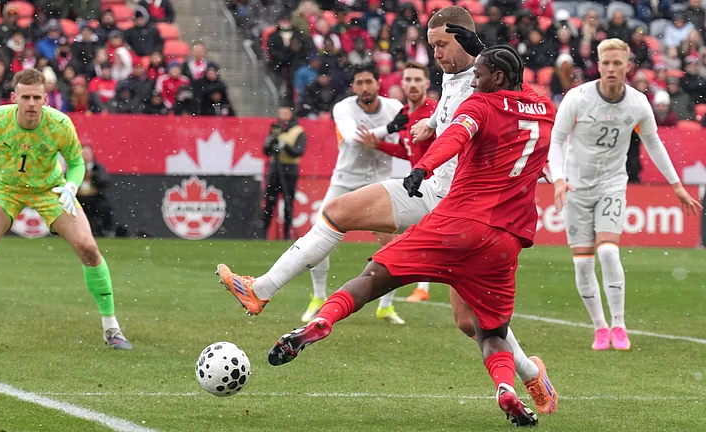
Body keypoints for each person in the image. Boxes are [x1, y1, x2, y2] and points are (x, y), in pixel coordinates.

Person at [217, 9, 557, 417]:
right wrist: (431, 122)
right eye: (430, 46)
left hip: (451, 200)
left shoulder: (482, 79)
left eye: (442, 45)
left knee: (470, 322)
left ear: (466, 42)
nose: (436, 54)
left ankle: (532, 377)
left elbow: (472, 119)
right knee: (340, 212)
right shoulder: (459, 75)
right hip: (448, 202)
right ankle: (260, 290)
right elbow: (462, 115)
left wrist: (427, 159)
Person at [0, 69, 132, 350]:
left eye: (37, 97)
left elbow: (76, 164)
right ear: (14, 97)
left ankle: (111, 327)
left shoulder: (59, 124)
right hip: (5, 188)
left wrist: (70, 187)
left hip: (48, 189)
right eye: (26, 97)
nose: (31, 103)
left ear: (46, 98)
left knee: (88, 248)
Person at [218, 63, 409, 324]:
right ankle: (318, 297)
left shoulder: (395, 108)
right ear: (353, 87)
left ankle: (386, 306)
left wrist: (387, 134)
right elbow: (354, 137)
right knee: (320, 236)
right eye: (360, 82)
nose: (365, 87)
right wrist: (388, 129)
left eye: (369, 82)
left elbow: (399, 142)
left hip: (379, 180)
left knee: (392, 242)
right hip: (345, 180)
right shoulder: (343, 108)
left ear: (378, 84)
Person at [548, 38, 702, 351]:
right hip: (576, 188)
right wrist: (559, 179)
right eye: (606, 63)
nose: (611, 68)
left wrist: (675, 185)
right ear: (599, 65)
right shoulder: (577, 98)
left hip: (611, 185)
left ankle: (618, 324)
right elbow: (557, 140)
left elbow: (654, 143)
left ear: (627, 66)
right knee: (582, 263)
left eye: (618, 63)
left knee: (607, 252)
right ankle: (599, 327)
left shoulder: (637, 103)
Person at [351, 60, 437, 302]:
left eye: (417, 80)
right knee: (415, 234)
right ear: (402, 83)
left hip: (438, 184)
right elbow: (406, 149)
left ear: (426, 84)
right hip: (419, 184)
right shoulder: (406, 114)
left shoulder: (434, 113)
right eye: (408, 79)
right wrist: (380, 145)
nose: (412, 84)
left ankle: (414, 287)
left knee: (420, 236)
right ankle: (408, 288)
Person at [261, 105, 306, 241]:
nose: (283, 116)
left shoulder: (298, 131)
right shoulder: (275, 129)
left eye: (286, 112)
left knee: (288, 202)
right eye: (281, 113)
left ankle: (286, 234)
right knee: (269, 202)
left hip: (290, 170)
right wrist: (270, 144)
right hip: (275, 168)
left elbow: (299, 151)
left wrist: (284, 146)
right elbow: (266, 152)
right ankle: (263, 233)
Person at [77, 145, 115, 237]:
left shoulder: (98, 167)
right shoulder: (75, 166)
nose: (85, 156)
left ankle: (104, 231)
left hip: (94, 197)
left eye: (87, 153)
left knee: (105, 208)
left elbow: (105, 181)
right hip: (78, 197)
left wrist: (94, 176)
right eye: (83, 153)